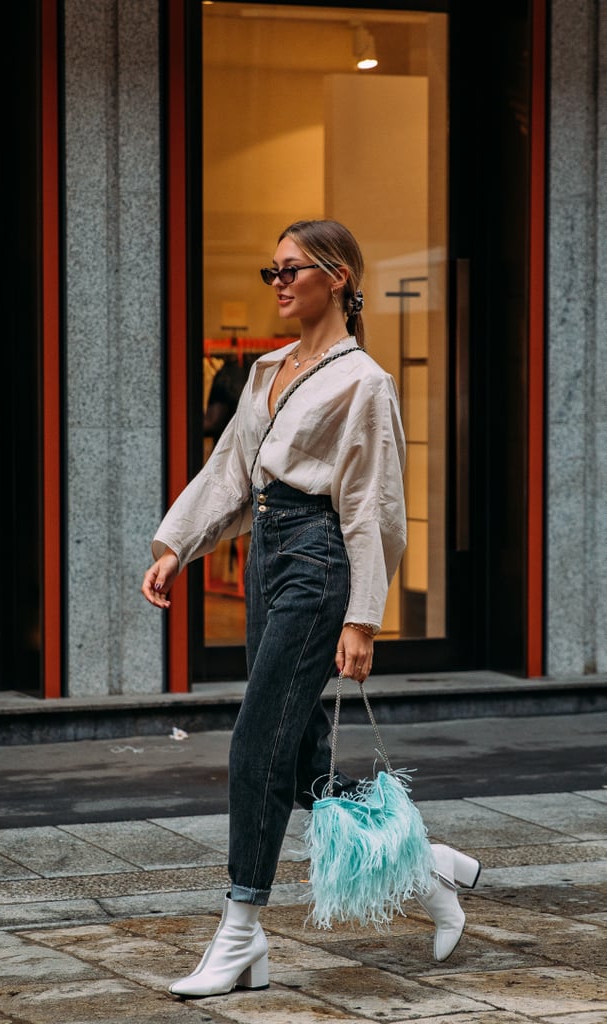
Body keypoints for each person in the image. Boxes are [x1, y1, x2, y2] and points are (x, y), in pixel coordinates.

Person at [142, 219, 480, 998]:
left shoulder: (363, 382)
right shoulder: (266, 372)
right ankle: (427, 870)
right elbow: (229, 471)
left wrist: (362, 617)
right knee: (299, 765)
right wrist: (175, 548)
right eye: (272, 271)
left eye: (291, 268)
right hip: (269, 556)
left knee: (254, 747)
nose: (278, 281)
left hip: (320, 561)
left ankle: (239, 932)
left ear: (338, 276)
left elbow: (373, 507)